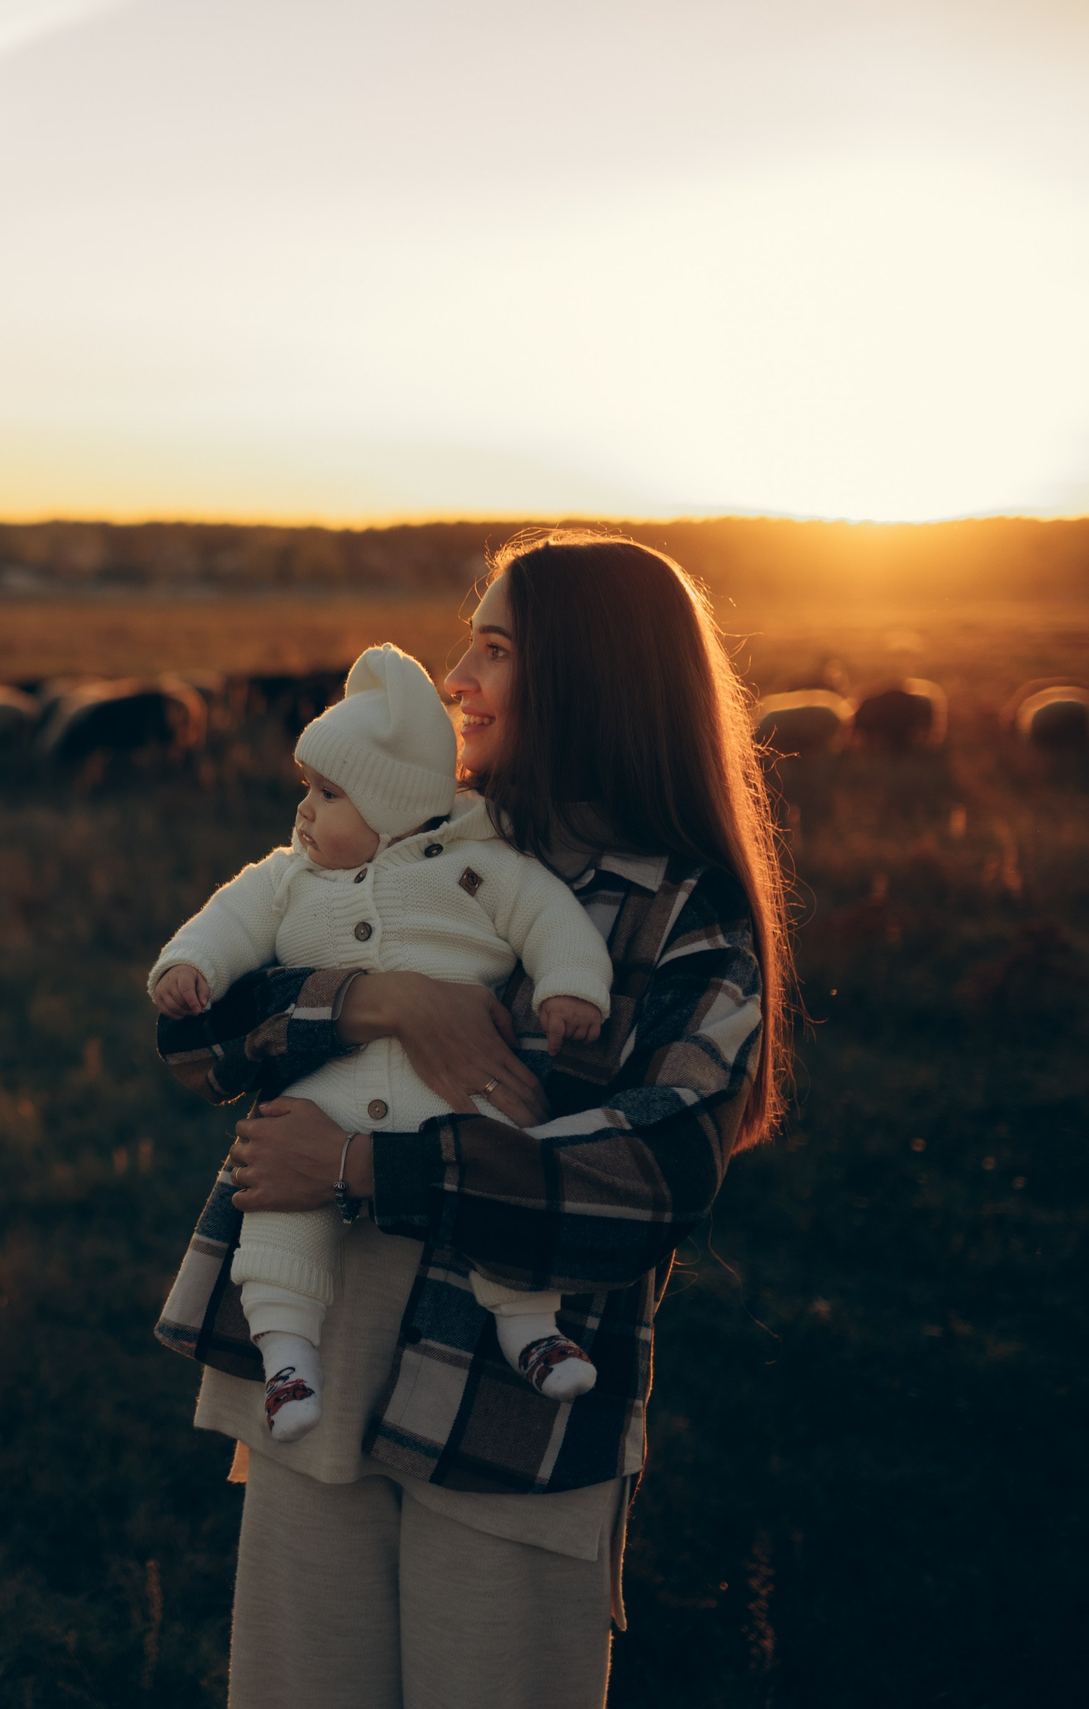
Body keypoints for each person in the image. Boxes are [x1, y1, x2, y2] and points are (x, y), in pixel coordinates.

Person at [151, 531, 790, 1709]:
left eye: (493, 650)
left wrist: (356, 1165)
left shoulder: (681, 916)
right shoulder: (415, 830)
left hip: (508, 1419)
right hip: (322, 1363)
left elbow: (654, 1176)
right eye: (466, 645)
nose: (456, 680)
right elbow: (195, 1033)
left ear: (588, 677)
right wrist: (378, 997)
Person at [148, 642, 615, 1446]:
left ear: (394, 806)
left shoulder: (482, 867)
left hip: (462, 1090)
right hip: (329, 1088)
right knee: (278, 1200)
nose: (304, 811)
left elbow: (550, 919)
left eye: (328, 793)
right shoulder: (288, 876)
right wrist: (190, 963)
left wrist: (571, 986)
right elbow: (229, 918)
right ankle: (287, 1353)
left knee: (502, 1162)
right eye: (308, 789)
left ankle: (531, 1326)